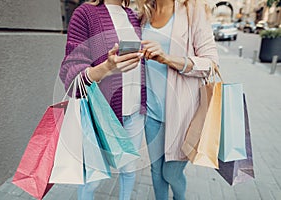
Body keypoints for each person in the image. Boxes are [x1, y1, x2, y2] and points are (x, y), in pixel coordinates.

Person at [59, 0, 146, 199]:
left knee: (129, 170)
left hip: (134, 112)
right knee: (92, 180)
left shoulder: (132, 16)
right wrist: (106, 67)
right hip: (101, 115)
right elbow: (70, 73)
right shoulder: (85, 13)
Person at [136, 0, 219, 199]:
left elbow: (211, 63)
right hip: (151, 112)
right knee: (156, 172)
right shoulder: (144, 12)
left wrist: (167, 58)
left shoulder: (192, 10)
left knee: (170, 173)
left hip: (183, 114)